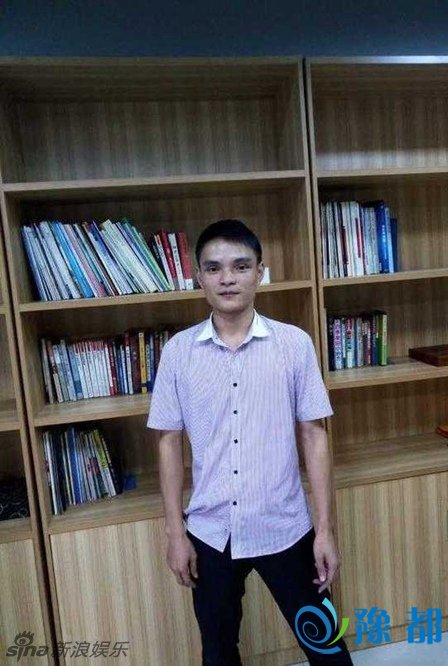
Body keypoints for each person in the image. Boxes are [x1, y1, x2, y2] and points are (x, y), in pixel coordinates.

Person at [147, 219, 353, 665]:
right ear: (198, 277)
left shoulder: (294, 344)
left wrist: (325, 530)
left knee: (327, 649)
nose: (227, 278)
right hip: (211, 532)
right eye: (214, 268)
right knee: (219, 653)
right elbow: (168, 442)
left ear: (260, 272)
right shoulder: (178, 352)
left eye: (240, 266)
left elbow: (314, 435)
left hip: (285, 526)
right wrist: (175, 533)